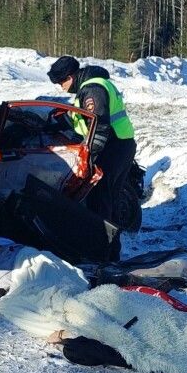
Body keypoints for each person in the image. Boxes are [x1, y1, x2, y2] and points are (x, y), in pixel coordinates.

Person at [47, 55, 137, 255]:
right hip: (120, 144)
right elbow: (82, 121)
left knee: (102, 199)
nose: (61, 87)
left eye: (62, 81)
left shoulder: (92, 89)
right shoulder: (91, 86)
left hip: (112, 148)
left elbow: (99, 126)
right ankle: (110, 249)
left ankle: (104, 252)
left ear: (71, 76)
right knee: (109, 198)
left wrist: (89, 155)